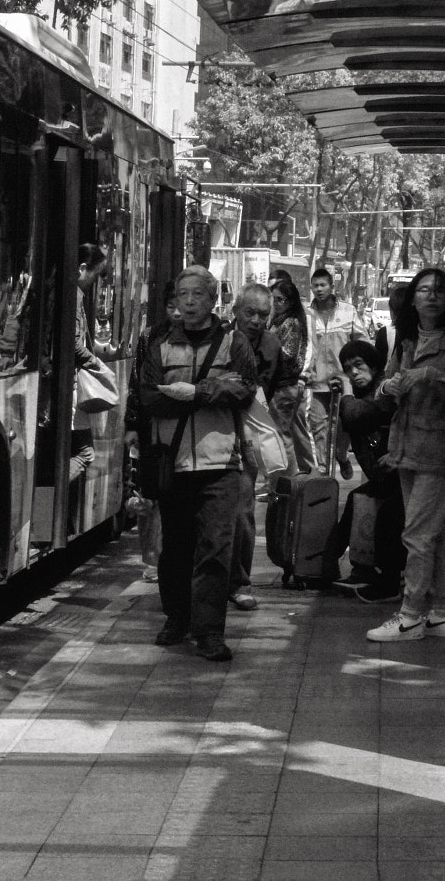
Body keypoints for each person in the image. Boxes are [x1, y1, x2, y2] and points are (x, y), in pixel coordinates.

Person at [139, 265, 258, 662]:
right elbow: (148, 397)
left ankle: (209, 631)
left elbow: (244, 389)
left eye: (198, 295)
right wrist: (202, 395)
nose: (189, 302)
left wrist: (196, 391)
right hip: (172, 462)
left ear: (212, 300)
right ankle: (177, 618)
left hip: (220, 462)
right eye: (183, 295)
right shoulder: (158, 342)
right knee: (174, 547)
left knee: (215, 548)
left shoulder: (234, 342)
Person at [365, 267, 445, 643]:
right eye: (424, 289)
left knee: (416, 534)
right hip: (406, 446)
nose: (431, 296)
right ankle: (443, 611)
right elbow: (382, 388)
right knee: (431, 535)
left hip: (441, 450)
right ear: (413, 297)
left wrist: (434, 377)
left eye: (439, 291)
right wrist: (390, 386)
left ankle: (411, 614)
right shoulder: (405, 341)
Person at [326, 339, 406, 602]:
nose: (353, 373)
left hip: (403, 478)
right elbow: (345, 424)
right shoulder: (359, 396)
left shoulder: (382, 391)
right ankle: (325, 566)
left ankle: (389, 580)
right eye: (348, 369)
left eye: (358, 365)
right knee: (355, 500)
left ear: (373, 365)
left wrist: (346, 393)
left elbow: (356, 415)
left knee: (386, 517)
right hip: (385, 479)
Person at [229, 283, 292, 611]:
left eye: (263, 315)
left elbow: (283, 383)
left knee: (243, 510)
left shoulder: (271, 343)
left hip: (251, 437)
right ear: (235, 311)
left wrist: (281, 425)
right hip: (217, 432)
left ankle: (240, 582)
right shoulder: (221, 339)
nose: (255, 320)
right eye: (249, 313)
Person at [126, 281, 177, 582]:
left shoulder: (207, 339)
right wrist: (132, 423)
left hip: (181, 429)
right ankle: (151, 558)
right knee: (150, 493)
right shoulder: (150, 337)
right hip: (150, 426)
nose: (177, 311)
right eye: (171, 304)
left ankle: (170, 552)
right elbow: (137, 382)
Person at [304, 267, 365, 478]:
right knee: (317, 423)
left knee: (344, 422)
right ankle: (322, 468)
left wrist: (359, 369)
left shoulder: (348, 311)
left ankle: (341, 454)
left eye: (323, 285)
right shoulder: (307, 315)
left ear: (332, 286)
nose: (319, 290)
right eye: (315, 286)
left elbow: (362, 341)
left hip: (345, 379)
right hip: (317, 380)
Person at [69, 244, 111, 484]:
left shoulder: (66, 292)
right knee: (85, 453)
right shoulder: (73, 296)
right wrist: (98, 365)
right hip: (70, 389)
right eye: (96, 276)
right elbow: (74, 346)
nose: (96, 283)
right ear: (83, 269)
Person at [267, 275, 315, 474]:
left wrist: (268, 345)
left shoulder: (291, 323)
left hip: (285, 386)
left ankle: (290, 479)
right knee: (287, 433)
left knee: (282, 435)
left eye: (280, 300)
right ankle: (295, 477)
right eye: (273, 299)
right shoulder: (277, 321)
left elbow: (288, 354)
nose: (276, 304)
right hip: (279, 386)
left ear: (290, 301)